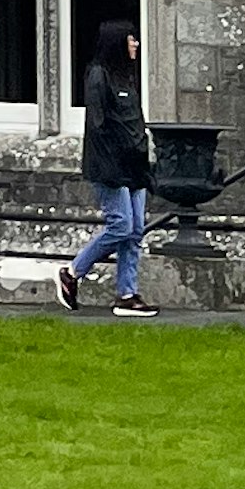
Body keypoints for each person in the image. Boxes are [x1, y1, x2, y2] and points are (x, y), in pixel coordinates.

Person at [57, 24, 156, 315]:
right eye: (130, 40)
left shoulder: (128, 75)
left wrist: (142, 159)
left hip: (134, 165)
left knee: (135, 229)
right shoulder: (99, 75)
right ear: (117, 43)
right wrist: (112, 166)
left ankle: (127, 295)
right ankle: (73, 272)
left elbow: (133, 121)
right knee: (121, 225)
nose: (136, 44)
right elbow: (99, 128)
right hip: (110, 166)